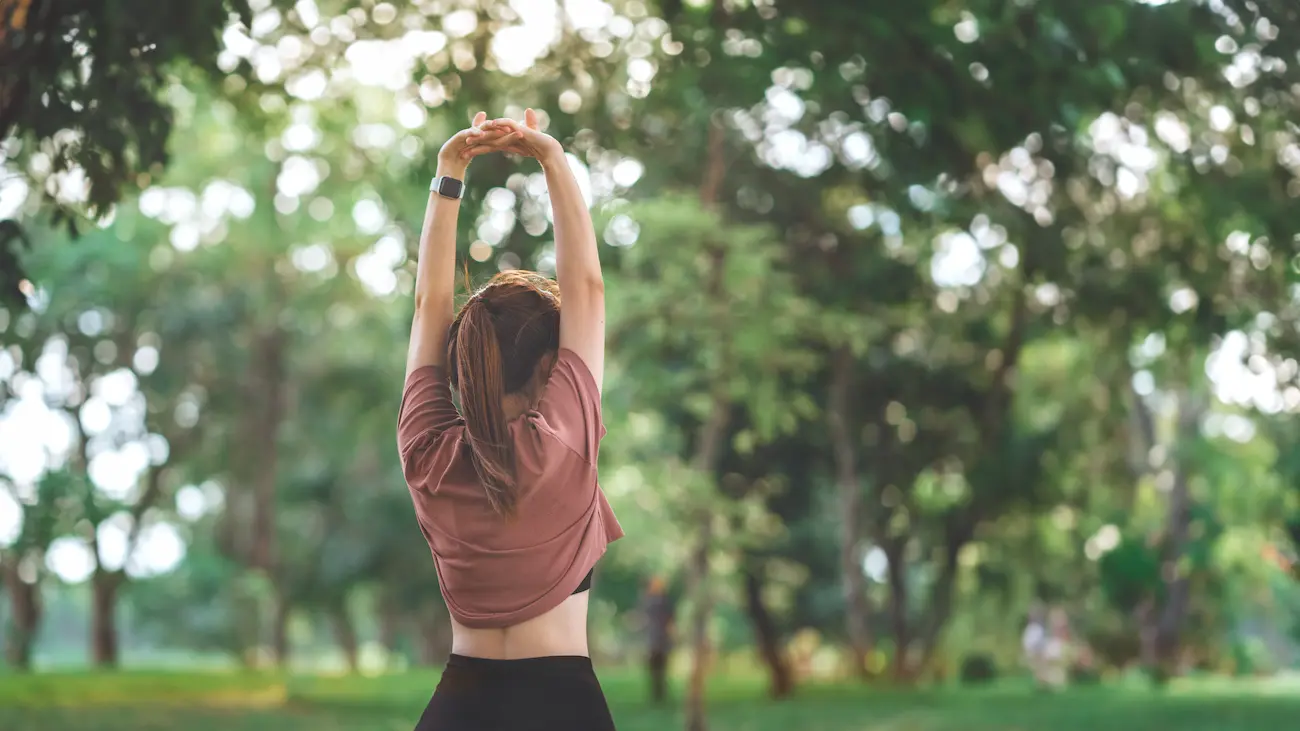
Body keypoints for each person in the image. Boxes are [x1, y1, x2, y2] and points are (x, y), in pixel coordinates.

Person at [398, 109, 623, 731]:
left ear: (465, 361)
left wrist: (449, 172)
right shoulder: (562, 442)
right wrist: (551, 158)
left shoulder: (426, 453)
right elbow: (589, 289)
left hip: (456, 710)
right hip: (564, 710)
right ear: (551, 362)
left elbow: (426, 307)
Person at [640, 576, 676, 703]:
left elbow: (671, 620)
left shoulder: (665, 601)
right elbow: (643, 618)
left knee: (662, 666)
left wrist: (671, 635)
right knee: (653, 666)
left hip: (662, 638)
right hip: (652, 638)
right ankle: (656, 693)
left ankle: (661, 693)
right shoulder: (648, 600)